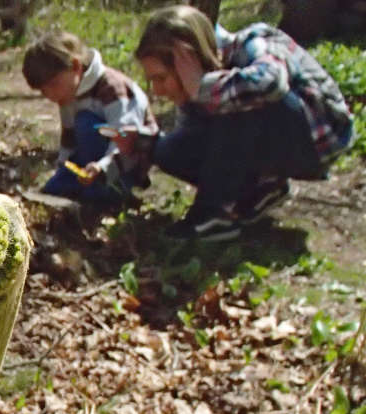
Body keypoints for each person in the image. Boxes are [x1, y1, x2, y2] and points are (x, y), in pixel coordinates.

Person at [113, 5, 354, 241]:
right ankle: (260, 189)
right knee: (165, 150)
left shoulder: (255, 42)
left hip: (316, 140)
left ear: (189, 58)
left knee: (238, 98)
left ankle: (213, 215)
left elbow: (271, 83)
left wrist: (203, 86)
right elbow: (194, 141)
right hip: (270, 138)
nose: (157, 90)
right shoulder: (194, 90)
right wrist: (143, 144)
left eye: (161, 78)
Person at [22, 31, 159, 211]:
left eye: (54, 84)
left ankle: (110, 192)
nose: (50, 95)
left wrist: (102, 168)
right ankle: (91, 190)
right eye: (44, 91)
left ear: (76, 66)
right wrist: (64, 166)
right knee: (53, 189)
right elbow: (69, 138)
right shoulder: (69, 92)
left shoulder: (112, 89)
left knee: (86, 123)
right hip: (89, 161)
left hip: (124, 163)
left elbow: (126, 141)